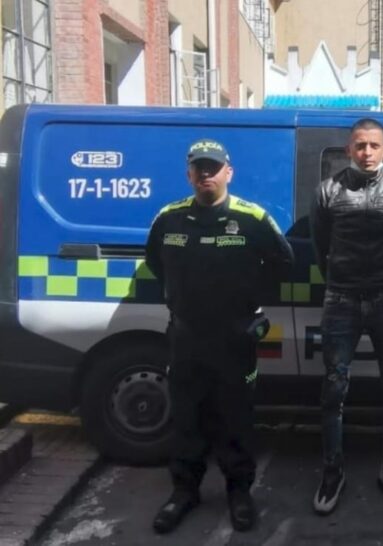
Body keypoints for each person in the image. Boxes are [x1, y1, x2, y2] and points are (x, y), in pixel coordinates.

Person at [145, 139, 294, 534]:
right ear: (189, 174)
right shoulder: (168, 219)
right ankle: (184, 492)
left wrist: (253, 307)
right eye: (199, 168)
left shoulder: (252, 219)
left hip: (234, 339)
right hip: (187, 338)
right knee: (186, 420)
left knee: (236, 419)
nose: (206, 174)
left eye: (213, 168)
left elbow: (283, 264)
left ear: (229, 172)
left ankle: (239, 493)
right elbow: (155, 263)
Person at [310, 118, 383, 514]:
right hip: (340, 299)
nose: (367, 152)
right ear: (349, 150)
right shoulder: (328, 190)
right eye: (360, 145)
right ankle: (332, 470)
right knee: (334, 389)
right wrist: (341, 281)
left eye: (374, 145)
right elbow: (320, 246)